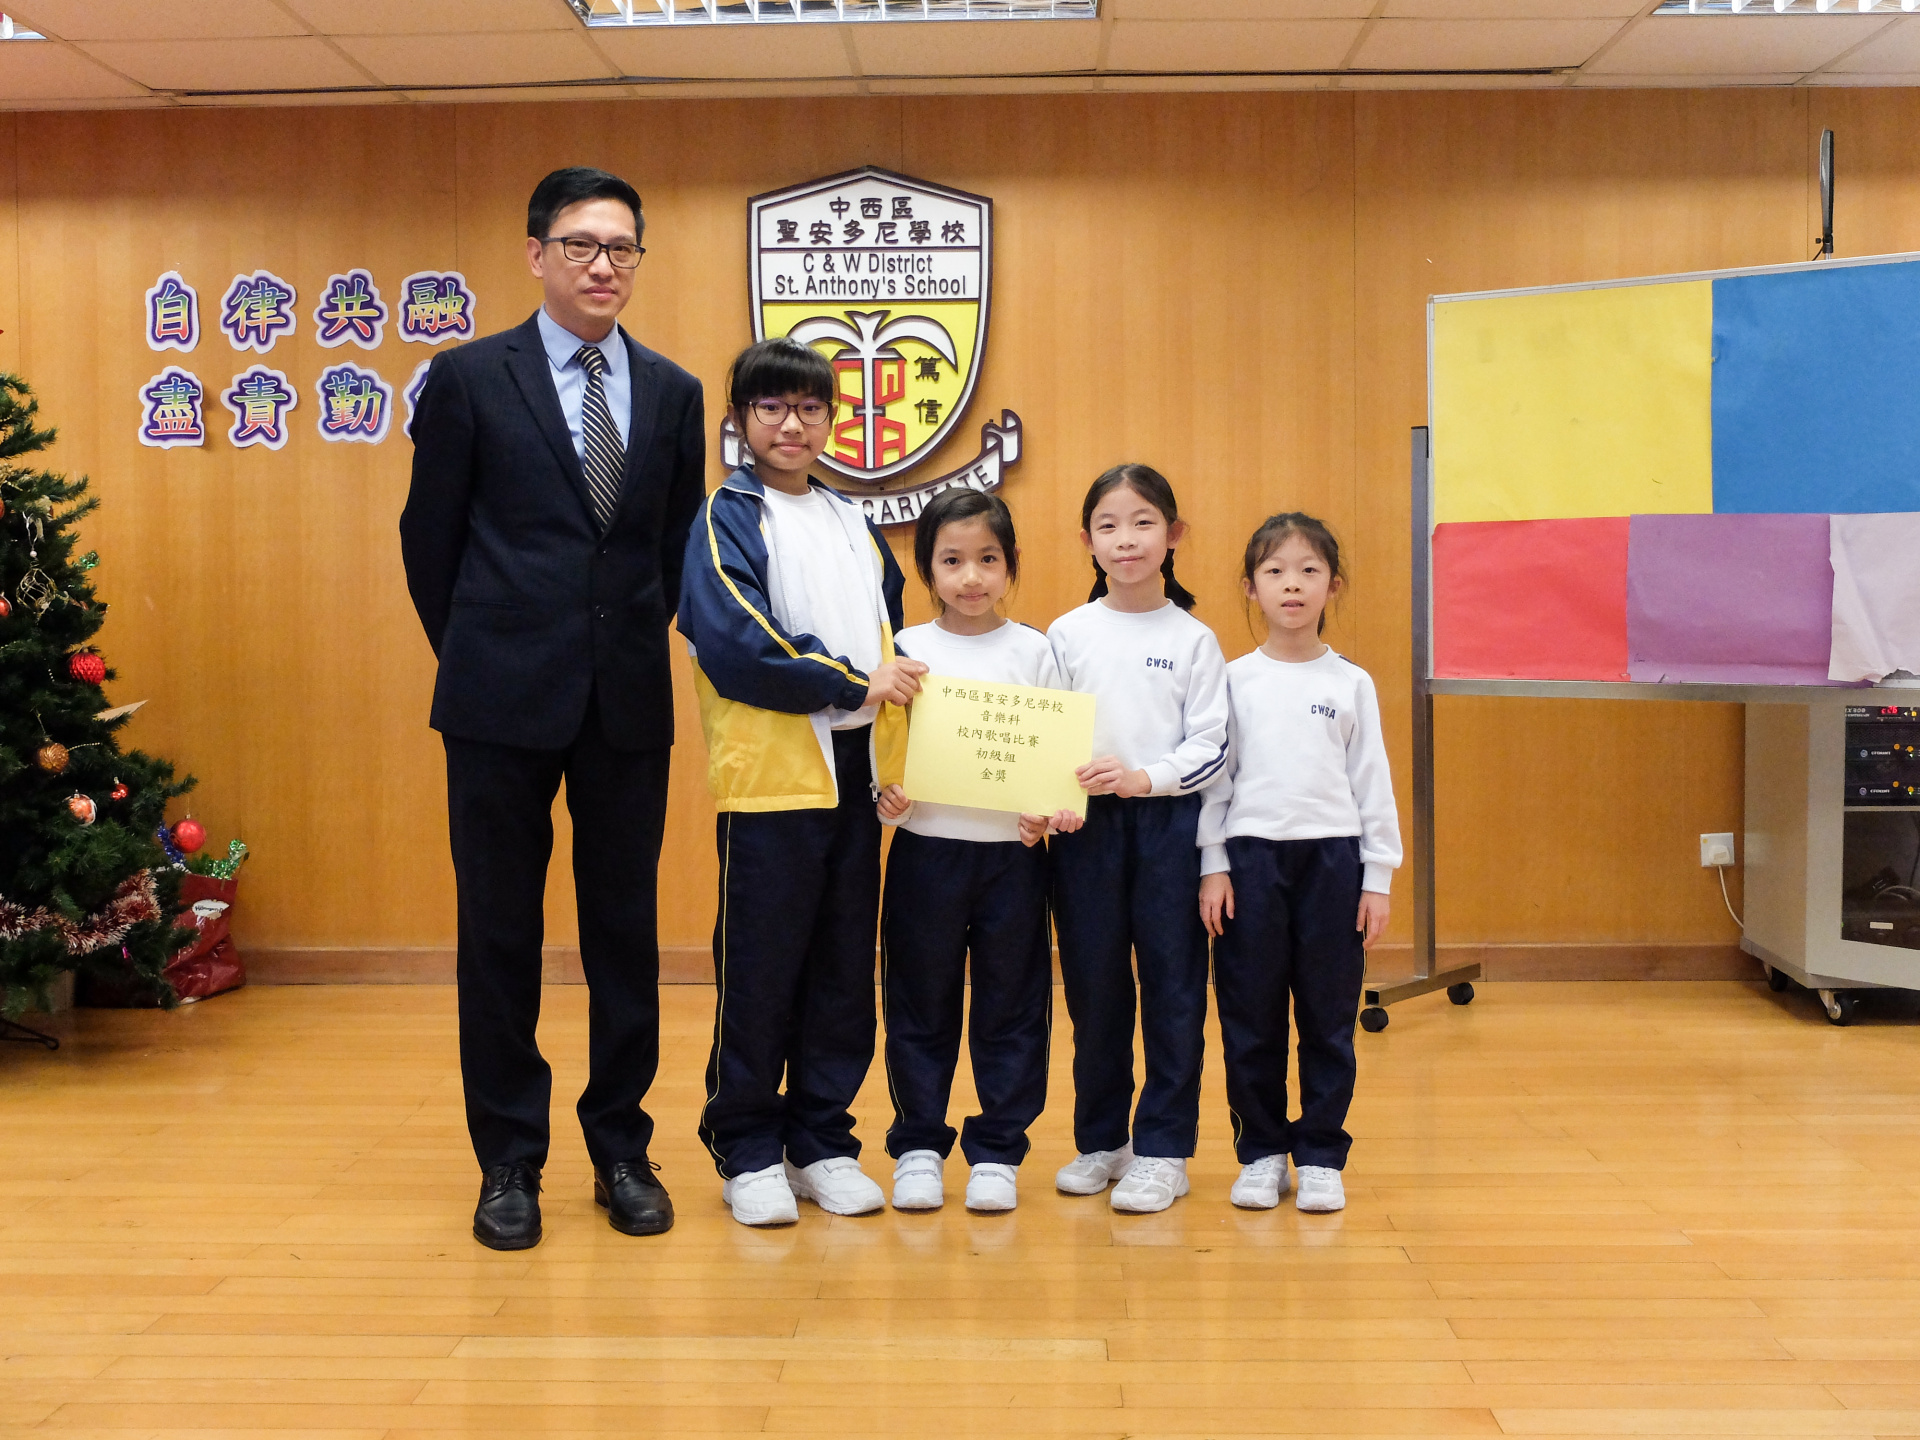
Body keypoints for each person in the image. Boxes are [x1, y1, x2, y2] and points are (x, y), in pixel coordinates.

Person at [400, 166, 705, 1250]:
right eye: (580, 244)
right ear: (536, 255)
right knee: (499, 934)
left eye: (621, 247)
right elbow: (428, 539)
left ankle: (621, 1148)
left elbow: (671, 546)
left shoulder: (672, 391)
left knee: (625, 932)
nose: (602, 265)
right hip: (497, 700)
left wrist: (616, 641)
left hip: (626, 701)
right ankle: (509, 1161)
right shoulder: (468, 378)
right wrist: (482, 651)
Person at [677, 336, 927, 1228]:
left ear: (832, 419)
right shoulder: (728, 515)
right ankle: (747, 1148)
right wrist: (852, 683)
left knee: (841, 968)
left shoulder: (851, 520)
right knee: (760, 969)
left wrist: (896, 761)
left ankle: (821, 1141)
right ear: (740, 421)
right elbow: (737, 640)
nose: (793, 424)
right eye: (773, 407)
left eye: (811, 408)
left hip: (854, 778)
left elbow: (896, 642)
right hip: (774, 782)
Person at [1198, 513, 1400, 1214]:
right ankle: (1260, 1152)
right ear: (1250, 587)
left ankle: (1319, 1154)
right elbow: (1216, 782)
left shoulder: (1351, 682)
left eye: (1309, 571)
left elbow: (1373, 782)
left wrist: (1377, 877)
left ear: (1332, 586)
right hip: (1250, 863)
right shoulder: (1232, 681)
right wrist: (1214, 864)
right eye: (1275, 571)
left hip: (1332, 863)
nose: (1292, 584)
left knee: (1327, 1017)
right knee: (1249, 1016)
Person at [874, 489, 1068, 1215]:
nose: (971, 577)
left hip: (1012, 861)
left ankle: (997, 1149)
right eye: (952, 561)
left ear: (1011, 563)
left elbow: (1056, 757)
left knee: (1011, 1004)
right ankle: (919, 1145)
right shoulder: (905, 648)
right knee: (918, 1002)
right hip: (925, 854)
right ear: (927, 568)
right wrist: (884, 794)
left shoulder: (1035, 650)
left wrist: (1045, 810)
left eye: (988, 559)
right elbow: (880, 747)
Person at [1045, 464, 1229, 1215]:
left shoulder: (1194, 639)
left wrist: (1144, 778)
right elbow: (1045, 732)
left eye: (1144, 522)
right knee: (1094, 988)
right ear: (1086, 540)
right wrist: (1055, 798)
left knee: (1174, 988)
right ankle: (1102, 1141)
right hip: (1084, 829)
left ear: (1173, 535)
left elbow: (1212, 747)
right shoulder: (1067, 633)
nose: (1127, 539)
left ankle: (1163, 1149)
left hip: (1167, 827)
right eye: (1109, 525)